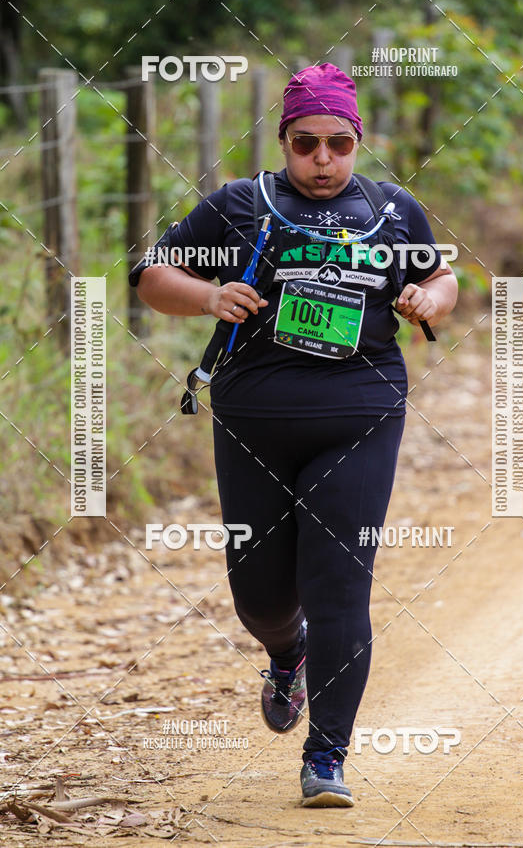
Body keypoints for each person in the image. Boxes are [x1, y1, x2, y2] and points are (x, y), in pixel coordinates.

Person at [130, 63, 457, 807]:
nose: (322, 159)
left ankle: (327, 758)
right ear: (284, 140)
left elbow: (445, 278)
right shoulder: (241, 204)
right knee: (260, 597)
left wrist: (424, 295)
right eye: (306, 143)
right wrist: (210, 294)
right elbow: (150, 275)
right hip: (254, 422)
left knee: (340, 584)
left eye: (338, 144)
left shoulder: (392, 209)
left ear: (356, 142)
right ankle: (287, 651)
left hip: (360, 412)